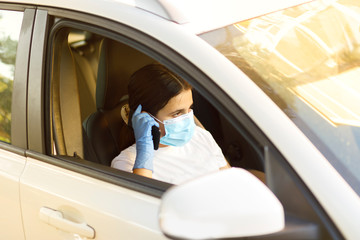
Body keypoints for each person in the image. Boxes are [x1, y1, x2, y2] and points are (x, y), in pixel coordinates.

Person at [111, 64, 230, 184]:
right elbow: (140, 199)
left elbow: (231, 181)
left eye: (189, 108)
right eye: (177, 113)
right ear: (145, 116)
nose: (188, 118)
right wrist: (144, 153)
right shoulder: (127, 162)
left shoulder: (201, 136)